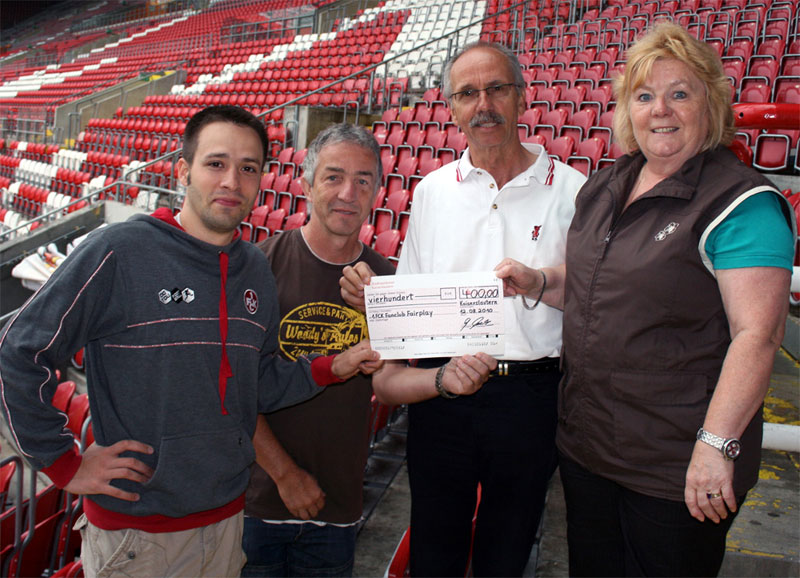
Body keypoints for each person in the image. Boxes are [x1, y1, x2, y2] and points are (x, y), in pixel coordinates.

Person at [0, 105, 380, 577]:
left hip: (226, 524)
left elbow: (255, 382)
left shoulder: (254, 268)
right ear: (183, 171)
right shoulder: (119, 250)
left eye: (248, 168)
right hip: (138, 537)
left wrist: (330, 368)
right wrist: (64, 463)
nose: (232, 182)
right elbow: (19, 351)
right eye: (216, 164)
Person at [496, 22, 795, 577]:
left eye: (681, 93)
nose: (662, 109)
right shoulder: (607, 185)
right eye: (645, 95)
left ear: (712, 105)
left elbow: (759, 336)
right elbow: (595, 287)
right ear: (625, 110)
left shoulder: (742, 202)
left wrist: (716, 446)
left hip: (674, 468)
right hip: (590, 450)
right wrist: (539, 283)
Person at [341, 42, 587, 576]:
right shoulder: (431, 192)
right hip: (442, 395)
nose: (484, 105)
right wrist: (382, 306)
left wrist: (538, 282)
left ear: (521, 97)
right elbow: (411, 300)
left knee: (509, 548)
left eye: (497, 88)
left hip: (531, 396)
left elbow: (592, 301)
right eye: (468, 93)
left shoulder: (572, 192)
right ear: (451, 107)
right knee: (435, 547)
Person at [240, 124, 395, 577]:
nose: (348, 192)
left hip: (338, 509)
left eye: (363, 180)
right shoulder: (259, 266)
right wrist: (285, 475)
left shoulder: (387, 281)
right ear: (306, 183)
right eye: (333, 177)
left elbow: (390, 386)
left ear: (378, 193)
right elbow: (233, 390)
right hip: (257, 504)